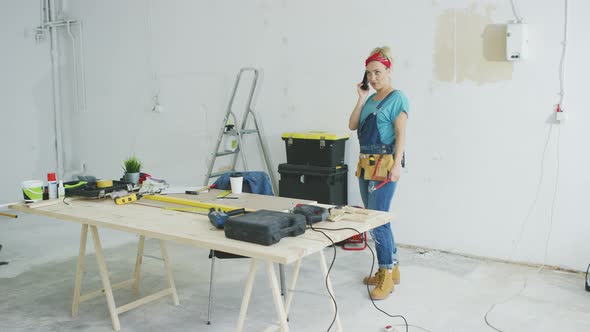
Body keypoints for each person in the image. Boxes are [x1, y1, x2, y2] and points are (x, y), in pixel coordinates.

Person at [348, 46, 409, 300]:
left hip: (384, 165)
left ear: (388, 70)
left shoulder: (397, 98)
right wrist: (361, 98)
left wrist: (396, 165)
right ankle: (392, 268)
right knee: (377, 219)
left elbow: (401, 133)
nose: (373, 78)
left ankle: (385, 276)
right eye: (369, 74)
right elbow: (352, 125)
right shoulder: (370, 99)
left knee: (377, 221)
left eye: (377, 72)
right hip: (365, 164)